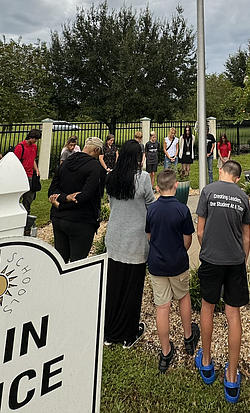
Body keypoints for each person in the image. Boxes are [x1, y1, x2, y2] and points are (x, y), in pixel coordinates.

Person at [194, 159, 250, 403]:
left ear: (221, 172)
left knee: (207, 307)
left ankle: (206, 363)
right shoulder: (242, 198)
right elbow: (246, 236)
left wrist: (207, 249)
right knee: (233, 314)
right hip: (235, 261)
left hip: (211, 259)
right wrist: (241, 259)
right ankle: (230, 377)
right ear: (238, 178)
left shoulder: (207, 192)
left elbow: (200, 229)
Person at [104, 139, 157, 346]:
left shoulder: (111, 177)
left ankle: (109, 332)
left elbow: (111, 203)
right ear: (139, 157)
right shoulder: (142, 178)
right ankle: (127, 334)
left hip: (115, 238)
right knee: (132, 288)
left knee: (114, 286)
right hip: (135, 240)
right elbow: (151, 205)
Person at [146, 169, 199, 373]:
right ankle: (188, 338)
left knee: (162, 307)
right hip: (177, 263)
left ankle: (166, 352)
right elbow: (188, 240)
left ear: (157, 188)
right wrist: (177, 251)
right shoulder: (182, 210)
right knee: (183, 296)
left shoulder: (151, 209)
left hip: (157, 264)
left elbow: (150, 235)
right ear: (176, 185)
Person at [48, 137, 107, 263]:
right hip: (81, 220)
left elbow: (52, 190)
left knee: (60, 261)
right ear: (96, 149)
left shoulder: (67, 161)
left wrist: (61, 201)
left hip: (59, 218)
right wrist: (68, 199)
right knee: (78, 263)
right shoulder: (94, 166)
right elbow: (85, 196)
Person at [12, 128, 42, 212]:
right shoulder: (20, 147)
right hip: (21, 175)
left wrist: (36, 170)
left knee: (30, 197)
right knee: (19, 195)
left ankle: (27, 213)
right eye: (35, 139)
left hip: (30, 174)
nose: (36, 141)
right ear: (31, 137)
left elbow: (32, 160)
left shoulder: (34, 147)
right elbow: (15, 162)